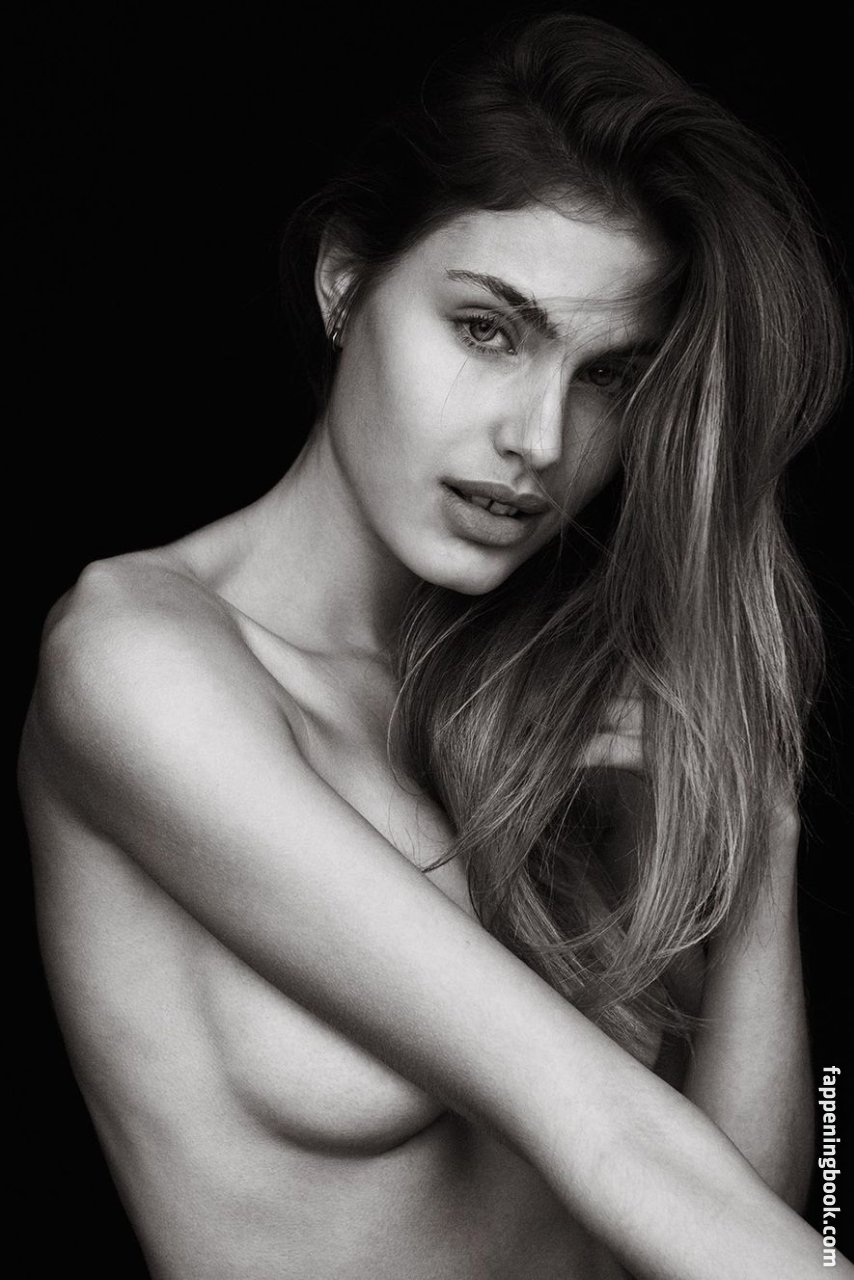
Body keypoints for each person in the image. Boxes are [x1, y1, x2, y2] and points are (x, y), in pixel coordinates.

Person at [19, 11, 851, 1278]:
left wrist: (758, 838)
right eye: (486, 330)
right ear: (345, 283)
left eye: (606, 376)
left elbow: (733, 1200)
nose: (537, 437)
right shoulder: (140, 666)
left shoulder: (555, 699)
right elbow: (596, 1124)